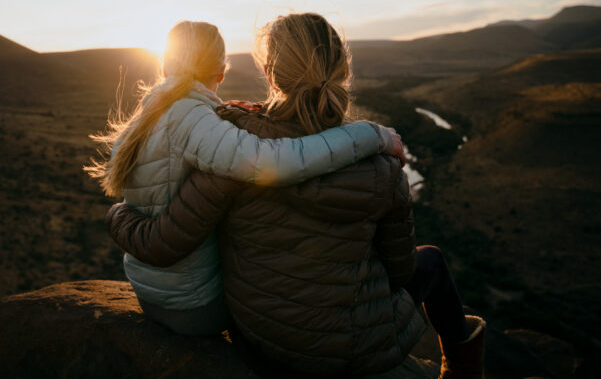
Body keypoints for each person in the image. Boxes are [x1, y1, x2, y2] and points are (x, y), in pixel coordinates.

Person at [106, 14, 486, 378]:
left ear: (270, 74)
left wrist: (119, 215)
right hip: (359, 348)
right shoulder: (383, 168)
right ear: (342, 73)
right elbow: (400, 271)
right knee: (430, 261)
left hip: (263, 343)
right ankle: (463, 369)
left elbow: (172, 237)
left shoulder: (228, 157)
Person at [86, 19, 405, 337]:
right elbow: (275, 162)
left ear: (164, 66)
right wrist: (369, 135)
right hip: (194, 307)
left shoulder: (150, 112)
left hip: (152, 293)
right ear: (221, 73)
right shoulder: (191, 118)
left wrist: (117, 216)